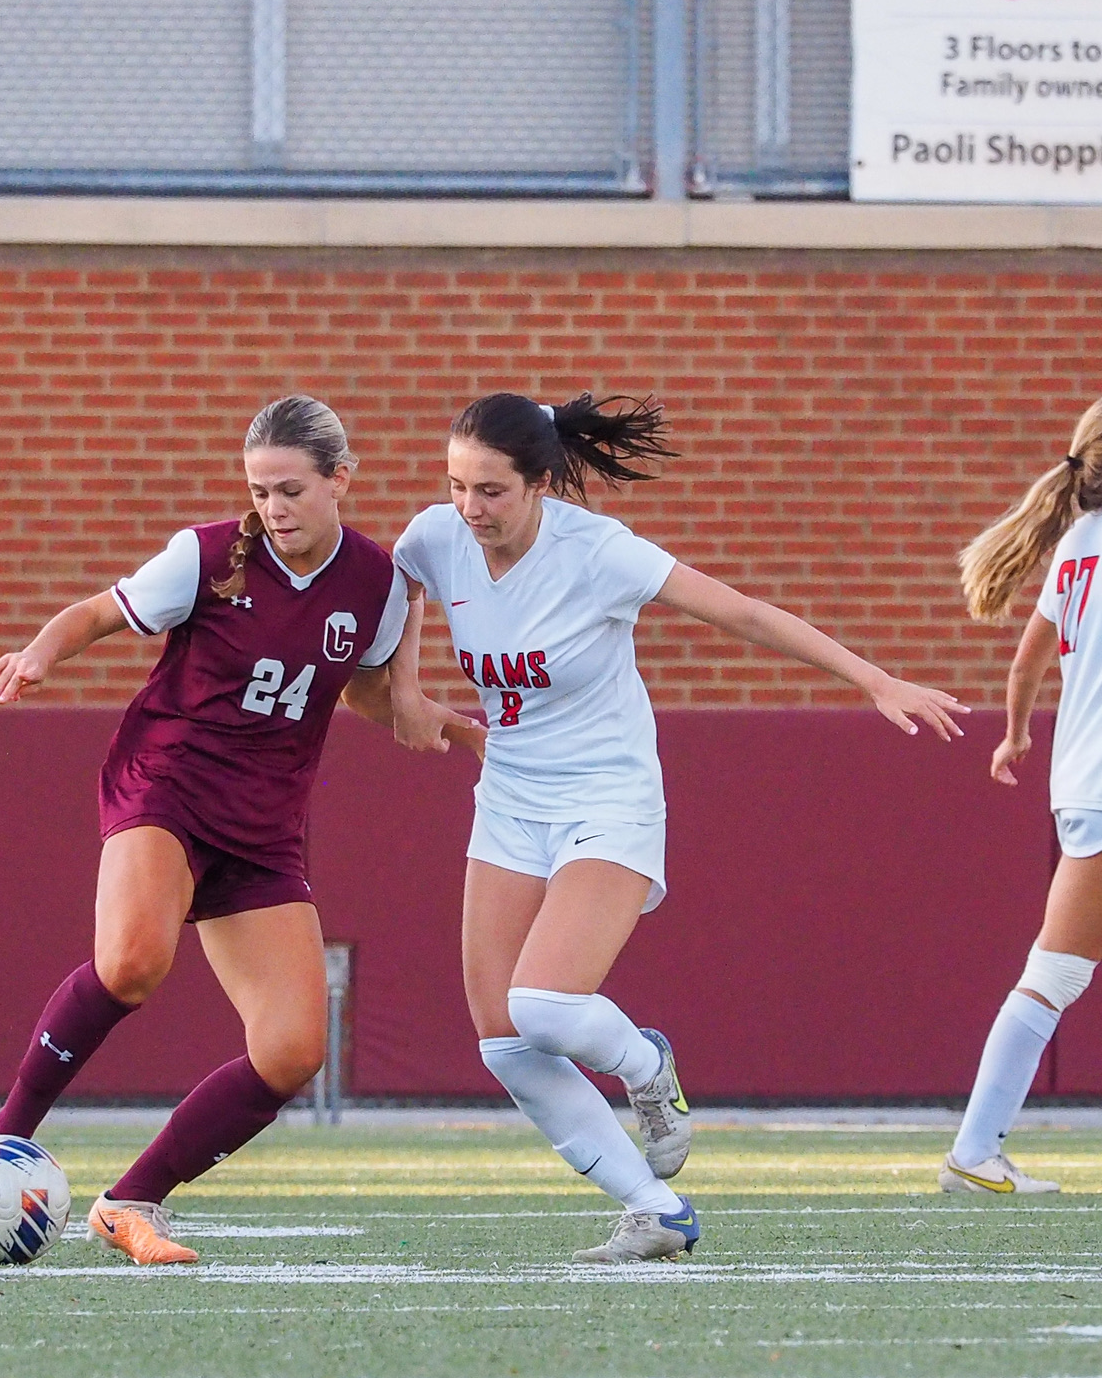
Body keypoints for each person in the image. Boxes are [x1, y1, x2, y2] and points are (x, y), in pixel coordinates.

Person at [387, 392, 965, 1262]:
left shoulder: (599, 553)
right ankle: (654, 1208)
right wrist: (403, 693)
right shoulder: (435, 537)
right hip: (509, 799)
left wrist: (872, 677)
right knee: (503, 1040)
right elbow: (401, 581)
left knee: (542, 1005)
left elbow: (743, 613)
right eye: (457, 486)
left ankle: (646, 1064)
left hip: (608, 797)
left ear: (541, 484)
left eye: (492, 492)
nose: (470, 509)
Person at [0, 395, 478, 1266]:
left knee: (291, 1050)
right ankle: (3, 1138)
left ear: (341, 480)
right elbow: (91, 613)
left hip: (264, 825)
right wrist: (40, 653)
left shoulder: (379, 584)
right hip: (168, 785)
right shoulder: (205, 557)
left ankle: (132, 1202)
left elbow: (370, 692)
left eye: (291, 490)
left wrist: (438, 721)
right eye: (261, 490)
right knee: (132, 962)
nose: (273, 508)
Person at [939, 401, 1102, 1196]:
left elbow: (1027, 664)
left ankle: (975, 1151)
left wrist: (1016, 737)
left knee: (1056, 974)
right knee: (1054, 974)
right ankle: (972, 1152)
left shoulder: (1076, 544)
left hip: (1083, 785)